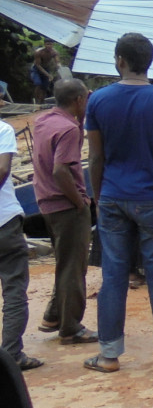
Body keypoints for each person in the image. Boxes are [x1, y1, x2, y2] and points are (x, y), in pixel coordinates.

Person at [84, 33, 153, 374]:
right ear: (149, 61)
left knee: (114, 274)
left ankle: (108, 354)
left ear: (120, 60)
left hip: (114, 197)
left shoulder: (98, 101)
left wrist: (99, 197)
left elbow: (96, 157)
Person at [32, 78, 97, 345]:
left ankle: (54, 315)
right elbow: (61, 170)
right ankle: (71, 327)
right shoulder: (69, 129)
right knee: (74, 266)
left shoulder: (44, 121)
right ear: (79, 100)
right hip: (66, 206)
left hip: (46, 203)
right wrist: (80, 202)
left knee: (64, 261)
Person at [0, 118, 40, 370]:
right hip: (4, 221)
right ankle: (11, 354)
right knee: (14, 288)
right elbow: (3, 169)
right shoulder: (2, 129)